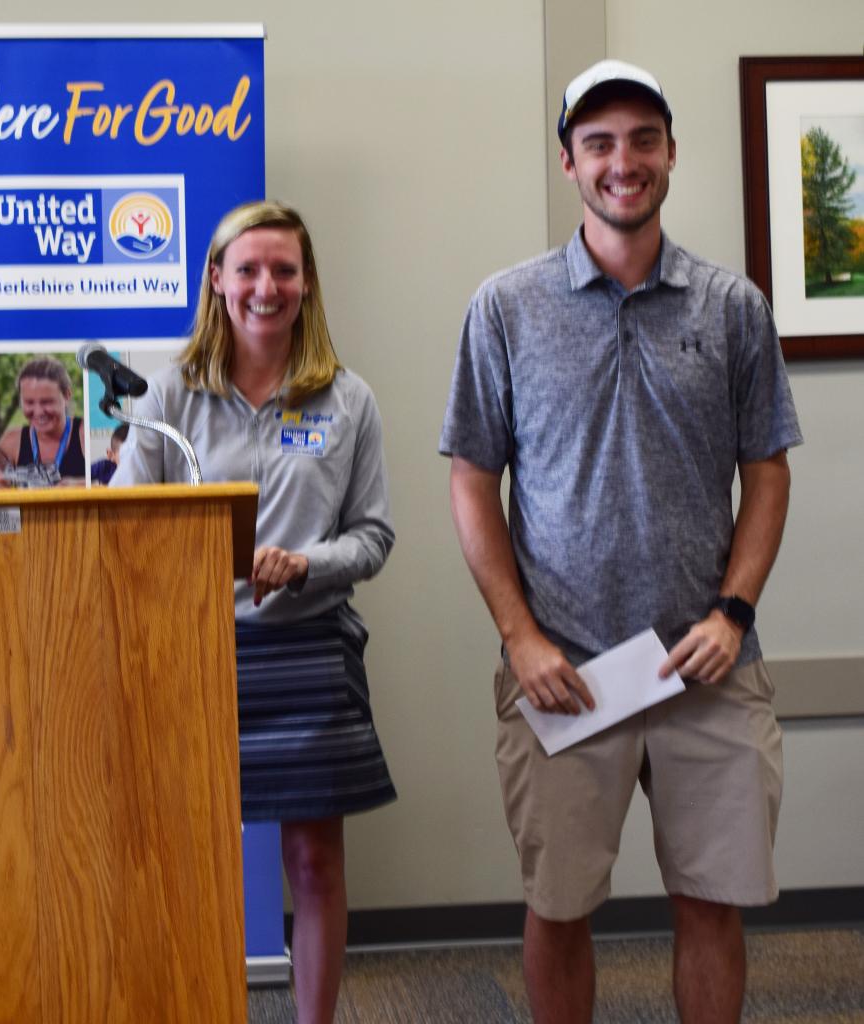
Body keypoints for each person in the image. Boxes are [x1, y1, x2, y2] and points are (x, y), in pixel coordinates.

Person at [440, 60, 802, 1024]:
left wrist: (733, 613)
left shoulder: (732, 309)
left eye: (643, 139)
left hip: (707, 668)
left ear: (672, 155)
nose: (622, 161)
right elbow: (471, 481)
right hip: (565, 669)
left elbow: (766, 473)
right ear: (568, 161)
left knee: (712, 906)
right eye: (598, 142)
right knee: (558, 910)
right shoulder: (506, 307)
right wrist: (520, 637)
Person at [111, 200, 396, 1024]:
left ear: (306, 285)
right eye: (248, 269)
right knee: (193, 864)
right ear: (216, 281)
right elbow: (131, 528)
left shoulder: (348, 401)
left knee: (313, 864)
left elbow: (374, 537)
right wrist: (197, 563)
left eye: (283, 270)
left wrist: (306, 564)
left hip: (308, 650)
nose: (265, 286)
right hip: (196, 655)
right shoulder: (168, 394)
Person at [0, 356, 86, 485]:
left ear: (67, 395)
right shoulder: (11, 442)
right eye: (29, 402)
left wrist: (81, 486)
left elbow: (114, 482)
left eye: (47, 402)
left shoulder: (86, 433)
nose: (39, 412)